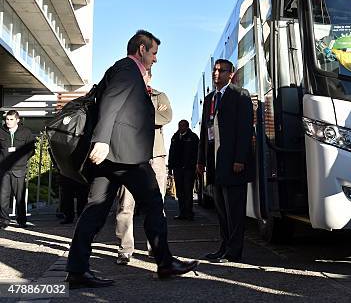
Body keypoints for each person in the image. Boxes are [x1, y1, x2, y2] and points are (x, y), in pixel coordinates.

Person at [65, 30, 197, 289]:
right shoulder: (128, 69)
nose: (155, 59)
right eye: (154, 53)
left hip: (112, 157)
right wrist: (101, 140)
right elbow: (111, 102)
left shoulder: (125, 70)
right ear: (141, 49)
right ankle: (165, 263)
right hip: (125, 156)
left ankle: (77, 269)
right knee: (153, 202)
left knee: (95, 210)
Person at [197, 59, 253, 263]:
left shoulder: (240, 95)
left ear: (231, 74)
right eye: (215, 70)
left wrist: (240, 159)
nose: (216, 73)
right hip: (215, 164)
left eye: (221, 71)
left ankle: (234, 252)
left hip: (233, 163)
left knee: (235, 211)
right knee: (221, 210)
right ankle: (223, 247)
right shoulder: (210, 98)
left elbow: (245, 130)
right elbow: (205, 132)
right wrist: (200, 160)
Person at [114, 69, 173, 265]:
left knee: (156, 205)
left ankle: (156, 248)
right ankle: (125, 249)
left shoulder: (159, 95)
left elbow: (165, 117)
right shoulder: (122, 95)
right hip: (129, 155)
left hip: (155, 155)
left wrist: (134, 116)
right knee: (125, 205)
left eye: (145, 74)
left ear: (150, 77)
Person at [0, 111, 35, 229]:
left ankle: (21, 220)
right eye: (7, 119)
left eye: (11, 119)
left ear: (17, 120)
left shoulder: (26, 132)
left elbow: (31, 149)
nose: (8, 122)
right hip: (4, 170)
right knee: (3, 196)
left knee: (19, 196)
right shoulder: (1, 131)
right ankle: (4, 220)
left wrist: (22, 161)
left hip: (19, 169)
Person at [168, 120, 199, 221]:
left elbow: (196, 154)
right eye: (179, 125)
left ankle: (189, 213)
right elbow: (171, 152)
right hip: (177, 169)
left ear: (187, 126)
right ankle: (182, 213)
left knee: (188, 192)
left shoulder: (193, 137)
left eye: (182, 125)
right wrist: (170, 167)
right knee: (180, 192)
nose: (180, 127)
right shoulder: (175, 137)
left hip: (189, 169)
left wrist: (194, 166)